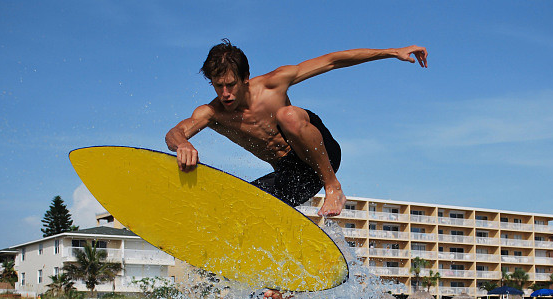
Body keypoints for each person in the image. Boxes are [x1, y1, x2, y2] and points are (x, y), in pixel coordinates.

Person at [166, 40, 428, 218]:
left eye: (231, 85)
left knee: (287, 115)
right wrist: (183, 144)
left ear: (245, 78)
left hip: (320, 152)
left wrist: (393, 51)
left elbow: (333, 61)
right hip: (294, 174)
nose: (225, 94)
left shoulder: (274, 84)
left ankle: (334, 188)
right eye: (217, 86)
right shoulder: (212, 113)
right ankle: (278, 283)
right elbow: (175, 132)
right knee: (244, 205)